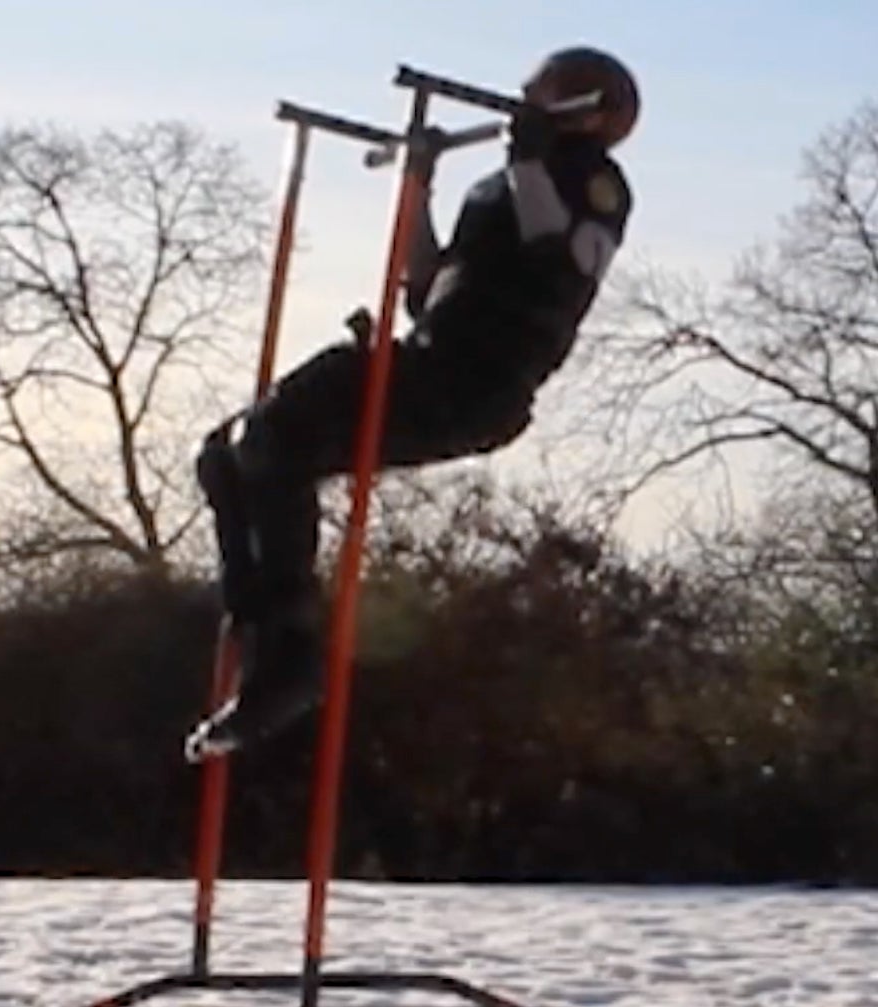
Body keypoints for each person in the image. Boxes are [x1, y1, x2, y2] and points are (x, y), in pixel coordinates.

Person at [186, 47, 640, 761]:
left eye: (541, 86)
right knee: (234, 453)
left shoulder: (596, 184)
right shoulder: (498, 189)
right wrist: (419, 187)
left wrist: (529, 160)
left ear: (584, 104)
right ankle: (261, 634)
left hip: (477, 380)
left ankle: (292, 656)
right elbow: (429, 284)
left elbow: (554, 261)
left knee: (277, 432)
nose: (521, 91)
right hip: (430, 357)